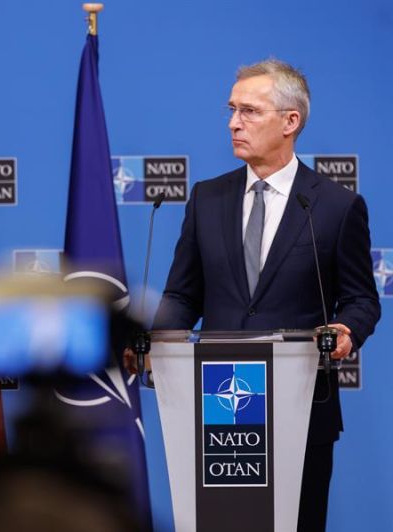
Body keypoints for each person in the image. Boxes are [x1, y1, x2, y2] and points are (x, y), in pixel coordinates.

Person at [152, 59, 380, 531]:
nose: (234, 122)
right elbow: (181, 294)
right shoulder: (206, 198)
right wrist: (155, 341)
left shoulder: (337, 206)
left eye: (250, 111)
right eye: (232, 110)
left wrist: (346, 329)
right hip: (221, 399)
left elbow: (362, 299)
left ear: (290, 121)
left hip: (300, 405)